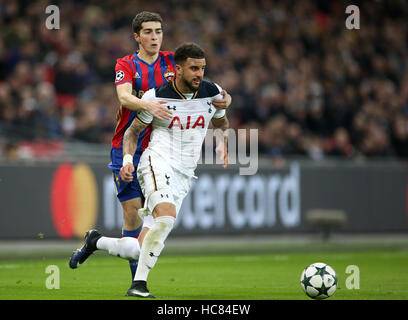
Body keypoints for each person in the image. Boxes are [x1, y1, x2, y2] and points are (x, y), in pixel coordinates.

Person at [69, 12, 231, 287]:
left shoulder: (172, 61)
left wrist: (225, 101)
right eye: (148, 32)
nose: (154, 37)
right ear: (137, 36)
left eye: (158, 31)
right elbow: (123, 97)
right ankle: (137, 281)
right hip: (128, 144)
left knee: (155, 225)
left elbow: (206, 86)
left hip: (162, 147)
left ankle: (104, 249)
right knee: (133, 212)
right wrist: (148, 105)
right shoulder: (127, 64)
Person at [122, 42, 230, 298]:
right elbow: (133, 131)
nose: (199, 74)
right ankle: (139, 286)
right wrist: (128, 159)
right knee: (167, 216)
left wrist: (223, 141)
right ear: (178, 69)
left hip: (184, 173)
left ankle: (97, 242)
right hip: (157, 160)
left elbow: (221, 118)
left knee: (147, 240)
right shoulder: (155, 96)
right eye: (194, 68)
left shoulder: (210, 91)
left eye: (202, 68)